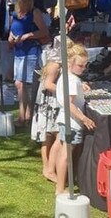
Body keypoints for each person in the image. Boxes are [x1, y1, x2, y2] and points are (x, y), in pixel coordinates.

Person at [31, 38, 75, 183]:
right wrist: (64, 91)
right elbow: (48, 84)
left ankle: (52, 167)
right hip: (49, 104)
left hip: (54, 101)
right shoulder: (54, 65)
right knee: (48, 136)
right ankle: (47, 168)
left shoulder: (59, 64)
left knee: (53, 135)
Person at [55, 43, 96, 195]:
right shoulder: (72, 80)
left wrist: (81, 85)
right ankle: (60, 188)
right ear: (70, 63)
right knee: (66, 155)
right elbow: (68, 103)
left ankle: (61, 185)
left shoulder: (68, 77)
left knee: (64, 153)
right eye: (80, 65)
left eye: (85, 65)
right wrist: (84, 118)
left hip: (65, 120)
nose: (83, 68)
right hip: (71, 122)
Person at [8, 0, 48, 127]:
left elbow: (44, 31)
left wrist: (27, 36)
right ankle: (25, 115)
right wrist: (11, 39)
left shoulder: (34, 13)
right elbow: (11, 31)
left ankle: (25, 116)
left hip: (30, 51)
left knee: (25, 84)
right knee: (19, 84)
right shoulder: (15, 15)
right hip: (18, 52)